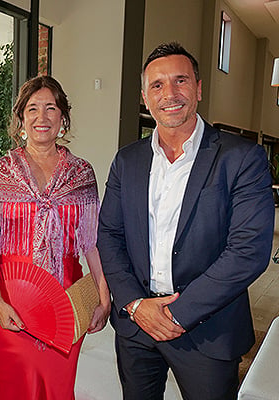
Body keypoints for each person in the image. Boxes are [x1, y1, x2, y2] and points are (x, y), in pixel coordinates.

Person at [97, 42, 275, 400]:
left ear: (198, 88)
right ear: (145, 96)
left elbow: (247, 251)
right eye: (157, 85)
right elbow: (109, 235)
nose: (170, 94)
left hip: (208, 331)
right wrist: (134, 304)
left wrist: (176, 314)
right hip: (137, 328)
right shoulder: (126, 161)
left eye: (181, 81)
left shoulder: (241, 158)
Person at [0, 75, 111, 400]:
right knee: (10, 390)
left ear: (63, 118)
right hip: (9, 301)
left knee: (57, 391)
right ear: (21, 118)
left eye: (51, 108)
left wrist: (105, 298)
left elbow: (92, 241)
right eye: (33, 108)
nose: (42, 117)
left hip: (64, 305)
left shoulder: (81, 173)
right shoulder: (2, 170)